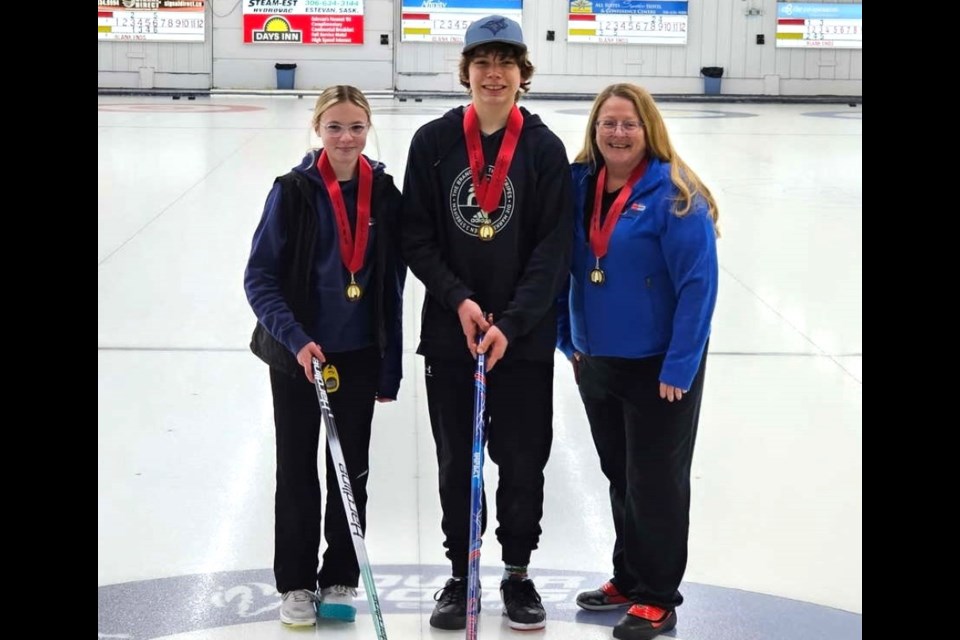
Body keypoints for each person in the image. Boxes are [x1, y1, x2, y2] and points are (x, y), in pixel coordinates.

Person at [400, 14, 573, 632]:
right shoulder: (434, 142)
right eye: (482, 62)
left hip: (521, 341)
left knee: (523, 459)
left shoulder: (544, 149)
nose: (493, 73)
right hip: (453, 334)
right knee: (457, 461)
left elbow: (554, 248)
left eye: (505, 62)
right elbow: (415, 235)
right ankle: (461, 569)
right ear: (467, 72)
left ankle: (518, 572)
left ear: (522, 73)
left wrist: (515, 319)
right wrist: (458, 300)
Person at [556, 83, 719, 640]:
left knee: (656, 484)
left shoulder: (675, 194)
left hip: (659, 370)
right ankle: (627, 578)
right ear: (594, 130)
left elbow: (698, 286)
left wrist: (680, 366)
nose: (618, 133)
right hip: (596, 362)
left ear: (648, 128)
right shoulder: (579, 186)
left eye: (629, 123)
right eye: (608, 123)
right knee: (620, 477)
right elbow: (560, 263)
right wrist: (566, 337)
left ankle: (656, 595)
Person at [243, 85, 406, 627]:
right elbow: (260, 277)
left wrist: (390, 364)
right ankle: (294, 582)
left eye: (356, 126)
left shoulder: (383, 191)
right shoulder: (291, 191)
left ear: (368, 129)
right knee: (296, 469)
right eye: (335, 126)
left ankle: (339, 575)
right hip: (298, 357)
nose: (346, 138)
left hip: (356, 354)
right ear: (318, 128)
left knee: (350, 469)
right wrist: (294, 338)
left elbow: (392, 286)